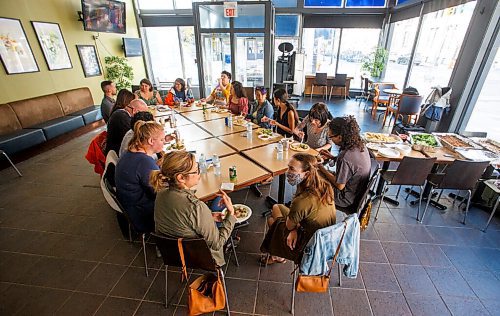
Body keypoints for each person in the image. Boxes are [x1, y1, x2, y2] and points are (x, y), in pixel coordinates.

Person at [151, 151, 237, 266]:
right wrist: (231, 214)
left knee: (215, 203)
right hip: (199, 257)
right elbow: (217, 244)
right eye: (196, 171)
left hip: (171, 254)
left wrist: (207, 217)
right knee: (217, 202)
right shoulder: (196, 207)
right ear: (181, 177)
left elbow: (180, 217)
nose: (199, 173)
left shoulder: (161, 193)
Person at [261, 153, 336, 265]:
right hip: (327, 236)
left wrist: (294, 228)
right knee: (276, 207)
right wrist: (296, 227)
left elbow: (289, 226)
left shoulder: (302, 200)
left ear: (306, 174)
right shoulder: (324, 185)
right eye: (288, 167)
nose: (287, 172)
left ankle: (278, 256)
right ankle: (277, 255)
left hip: (310, 244)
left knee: (272, 221)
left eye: (292, 169)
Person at [115, 121, 165, 233]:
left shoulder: (131, 152)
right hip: (143, 216)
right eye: (162, 140)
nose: (164, 143)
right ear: (151, 141)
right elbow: (160, 192)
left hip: (130, 208)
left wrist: (156, 167)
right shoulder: (144, 162)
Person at [318, 116, 371, 211]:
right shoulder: (360, 144)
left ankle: (310, 214)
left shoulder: (345, 156)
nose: (331, 140)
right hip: (356, 191)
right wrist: (333, 157)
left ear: (340, 137)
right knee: (317, 174)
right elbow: (353, 166)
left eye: (331, 137)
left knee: (311, 180)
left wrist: (322, 168)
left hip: (345, 198)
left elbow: (340, 186)